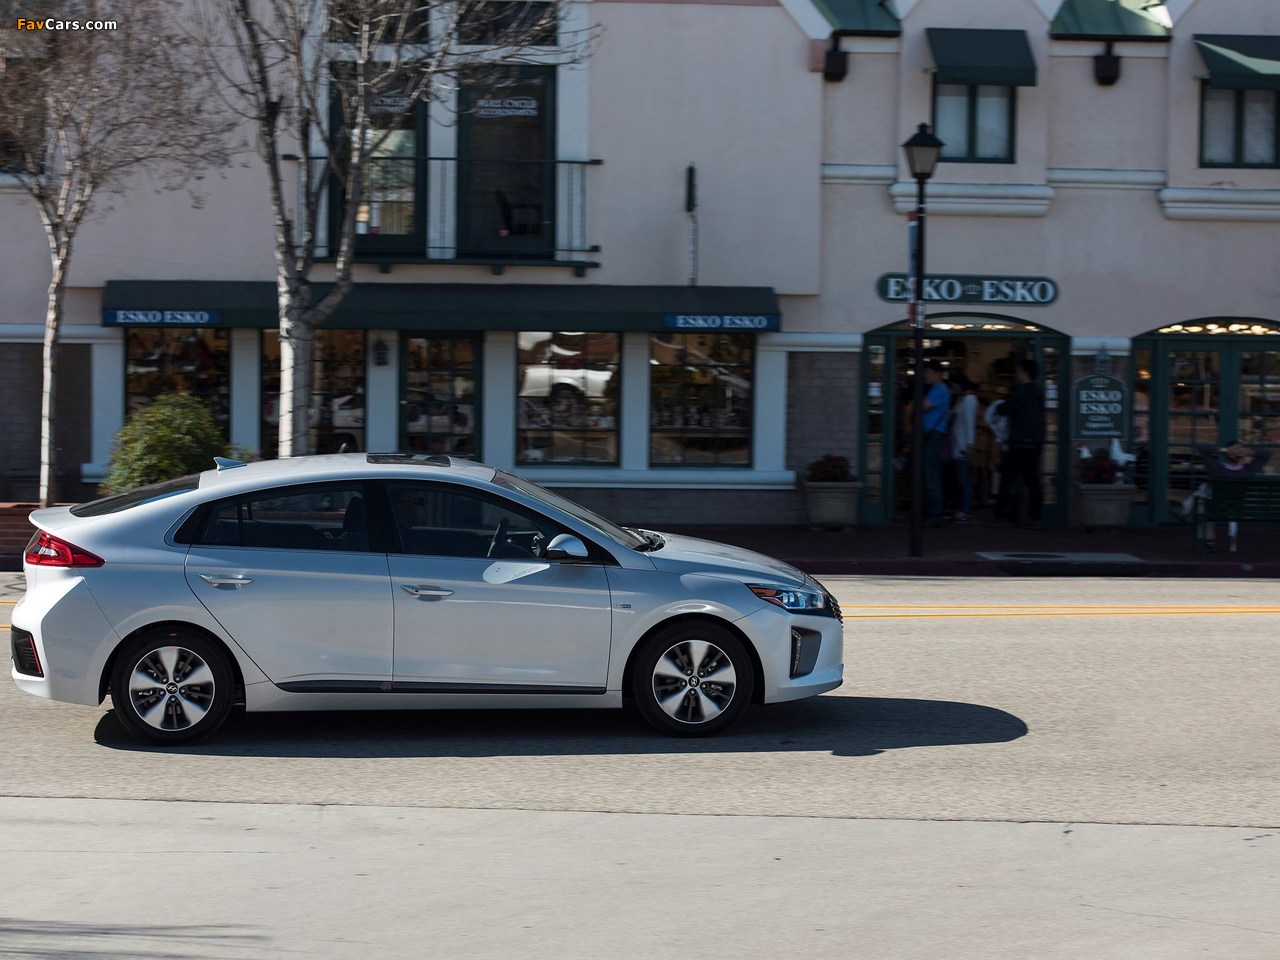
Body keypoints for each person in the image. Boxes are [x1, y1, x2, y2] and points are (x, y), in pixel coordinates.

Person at [1186, 440, 1272, 549]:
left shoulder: (1217, 469)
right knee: (1205, 493)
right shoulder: (1249, 470)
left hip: (1215, 509)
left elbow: (1201, 448)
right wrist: (1250, 452)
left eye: (1239, 449)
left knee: (1203, 503)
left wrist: (1225, 450)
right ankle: (1186, 511)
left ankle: (1208, 540)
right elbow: (1267, 453)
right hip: (1237, 509)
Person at [996, 358, 1046, 528]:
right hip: (1033, 443)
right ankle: (1034, 516)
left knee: (1007, 477)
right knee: (1032, 481)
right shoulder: (1038, 393)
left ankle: (1000, 514)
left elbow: (1004, 409)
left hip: (1020, 443)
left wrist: (999, 405)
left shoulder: (1022, 393)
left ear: (1025, 373)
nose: (1016, 374)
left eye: (1018, 371)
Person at [921, 360, 951, 526]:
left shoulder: (939, 390)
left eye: (929, 372)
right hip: (934, 434)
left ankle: (934, 512)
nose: (926, 375)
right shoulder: (938, 389)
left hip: (934, 435)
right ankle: (932, 511)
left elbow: (924, 406)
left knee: (931, 475)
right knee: (930, 474)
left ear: (938, 374)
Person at [948, 372, 979, 521]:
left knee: (963, 480)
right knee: (961, 479)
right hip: (958, 444)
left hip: (962, 446)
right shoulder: (964, 399)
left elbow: (969, 425)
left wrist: (970, 445)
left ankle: (965, 510)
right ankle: (962, 509)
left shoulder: (968, 400)